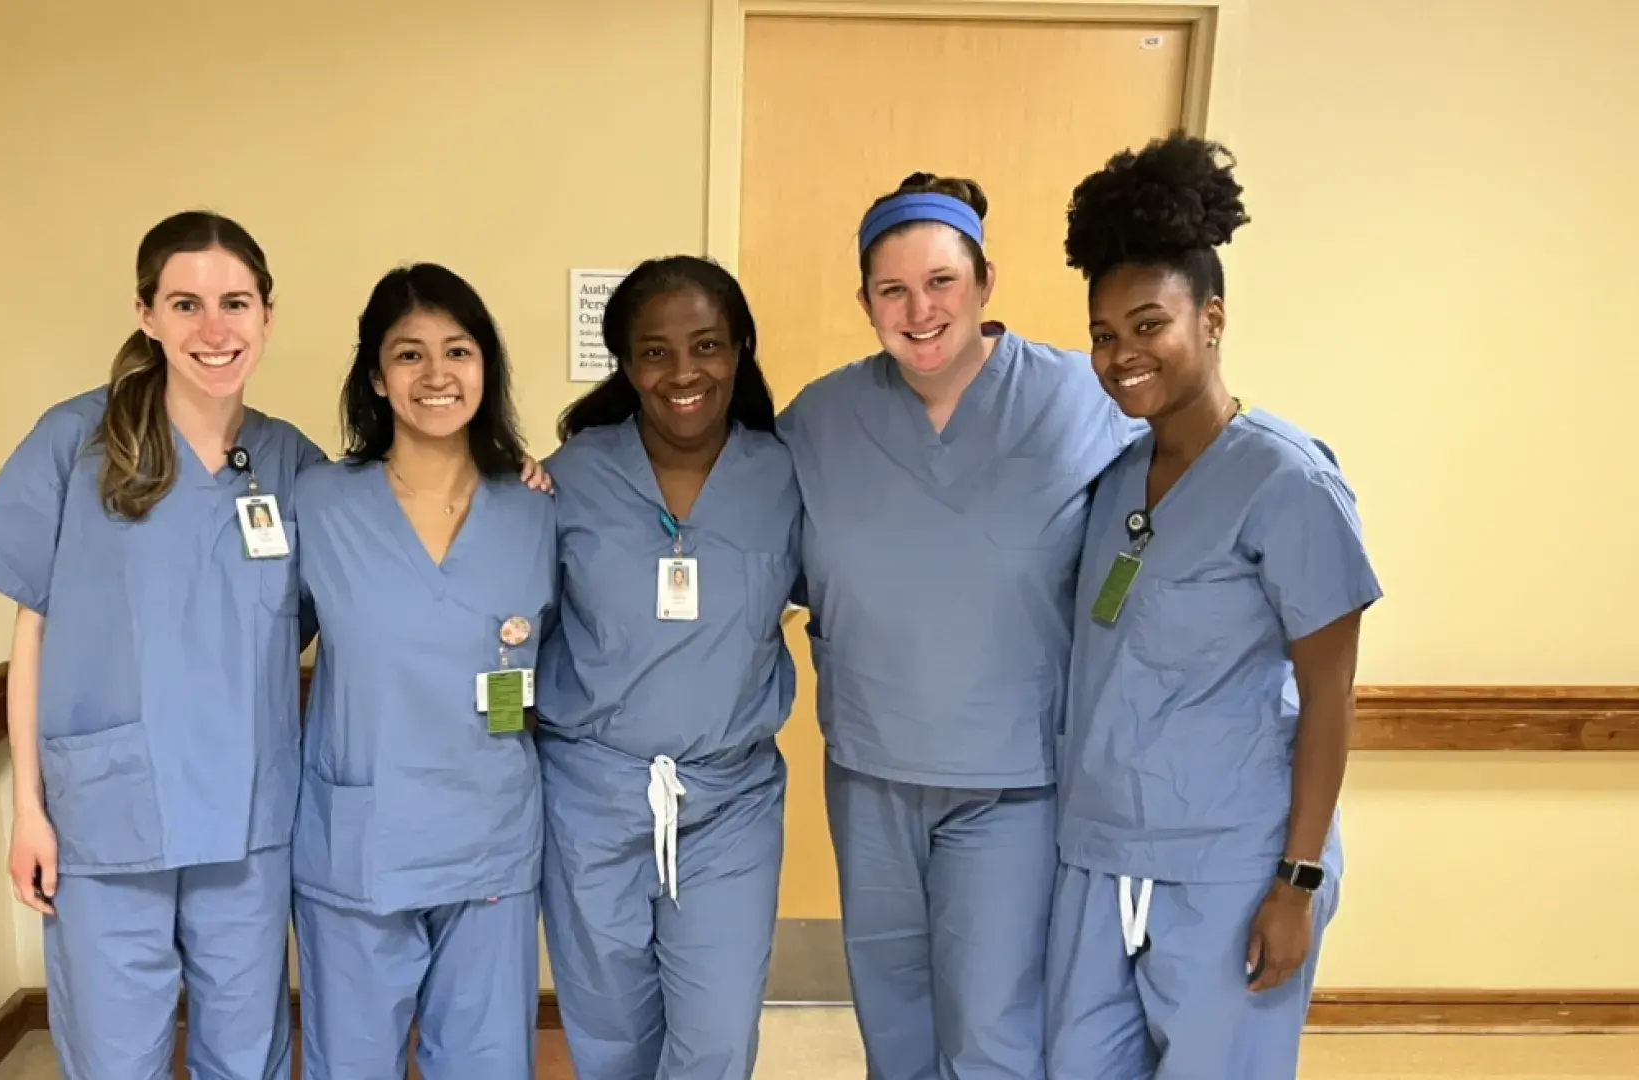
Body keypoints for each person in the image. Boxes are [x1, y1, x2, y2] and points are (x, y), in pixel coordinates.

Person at [774, 174, 1138, 1079]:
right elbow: (724, 511)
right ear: (865, 303)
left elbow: (1184, 509)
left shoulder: (1078, 400)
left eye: (941, 281)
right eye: (892, 290)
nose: (920, 310)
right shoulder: (822, 419)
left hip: (1013, 781)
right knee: (893, 1021)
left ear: (985, 282)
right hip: (870, 773)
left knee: (992, 1030)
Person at [1047, 132, 1382, 1080]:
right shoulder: (1116, 481)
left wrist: (1297, 881)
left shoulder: (1287, 482)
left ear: (1213, 318)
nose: (1122, 356)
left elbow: (1331, 695)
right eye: (1104, 335)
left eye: (1149, 324)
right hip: (1101, 858)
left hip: (1233, 866)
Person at [0, 210, 318, 1080]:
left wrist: (512, 474)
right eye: (185, 304)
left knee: (247, 1053)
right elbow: (32, 632)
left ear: (268, 315)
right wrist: (28, 811)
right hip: (107, 816)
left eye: (236, 302)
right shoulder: (73, 444)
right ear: (146, 314)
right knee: (117, 1056)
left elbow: (386, 567)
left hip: (247, 815)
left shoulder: (293, 463)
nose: (214, 329)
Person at [535, 255, 801, 1080]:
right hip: (591, 797)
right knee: (612, 1039)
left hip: (730, 801)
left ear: (741, 350)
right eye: (655, 351)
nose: (684, 372)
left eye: (708, 345)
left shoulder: (787, 476)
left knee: (716, 1040)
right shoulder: (567, 479)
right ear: (626, 363)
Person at [290, 262, 557, 1080]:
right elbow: (243, 648)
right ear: (376, 375)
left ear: (488, 367)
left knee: (487, 1065)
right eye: (409, 355)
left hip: (492, 844)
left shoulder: (540, 505)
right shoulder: (319, 505)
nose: (436, 375)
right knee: (354, 1065)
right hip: (361, 846)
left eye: (458, 351)